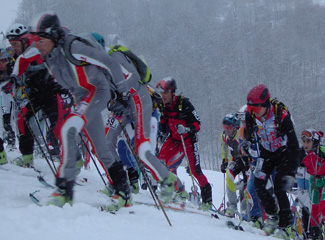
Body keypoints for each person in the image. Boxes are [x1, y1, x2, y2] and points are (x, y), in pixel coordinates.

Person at [28, 11, 177, 210]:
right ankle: (122, 190)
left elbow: (111, 65)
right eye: (33, 39)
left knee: (71, 129)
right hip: (92, 97)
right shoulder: (50, 55)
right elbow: (28, 60)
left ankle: (64, 190)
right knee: (102, 146)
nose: (36, 43)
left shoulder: (75, 47)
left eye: (40, 39)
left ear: (53, 35)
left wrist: (122, 88)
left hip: (119, 95)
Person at [6, 23, 65, 167]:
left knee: (58, 126)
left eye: (15, 43)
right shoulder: (16, 56)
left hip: (52, 93)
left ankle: (72, 159)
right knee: (22, 118)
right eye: (11, 44)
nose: (13, 47)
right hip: (35, 94)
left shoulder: (39, 49)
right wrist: (11, 80)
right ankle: (27, 156)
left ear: (25, 40)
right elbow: (15, 70)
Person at [245, 84, 299, 238]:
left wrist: (291, 172)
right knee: (258, 183)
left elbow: (294, 144)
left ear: (265, 104)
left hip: (283, 152)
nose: (252, 113)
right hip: (266, 152)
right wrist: (248, 140)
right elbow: (249, 131)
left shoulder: (280, 114)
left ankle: (286, 225)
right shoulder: (252, 114)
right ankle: (273, 216)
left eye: (255, 109)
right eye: (250, 109)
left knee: (279, 188)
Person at [156, 77, 212, 210]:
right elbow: (164, 122)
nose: (163, 96)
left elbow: (197, 124)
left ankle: (207, 201)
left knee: (195, 171)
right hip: (174, 139)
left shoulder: (184, 104)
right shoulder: (163, 105)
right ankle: (170, 190)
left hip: (187, 140)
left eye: (165, 93)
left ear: (172, 92)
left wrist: (187, 128)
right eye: (161, 93)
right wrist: (159, 131)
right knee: (160, 163)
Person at [220, 113, 249, 217]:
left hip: (246, 162)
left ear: (235, 127)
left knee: (247, 184)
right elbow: (224, 148)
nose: (226, 130)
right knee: (229, 176)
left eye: (228, 127)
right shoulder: (224, 136)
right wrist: (225, 160)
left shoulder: (240, 135)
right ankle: (232, 205)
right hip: (236, 161)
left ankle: (246, 209)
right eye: (224, 127)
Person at [302, 130, 324, 240]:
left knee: (323, 205)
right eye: (304, 142)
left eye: (308, 142)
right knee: (314, 207)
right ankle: (314, 231)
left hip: (324, 179)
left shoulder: (321, 150)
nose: (305, 145)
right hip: (314, 180)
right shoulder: (304, 153)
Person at [0, 49, 16, 151]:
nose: (1, 64)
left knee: (16, 119)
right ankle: (10, 140)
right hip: (5, 95)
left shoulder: (12, 67)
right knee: (6, 118)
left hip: (16, 95)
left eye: (3, 61)